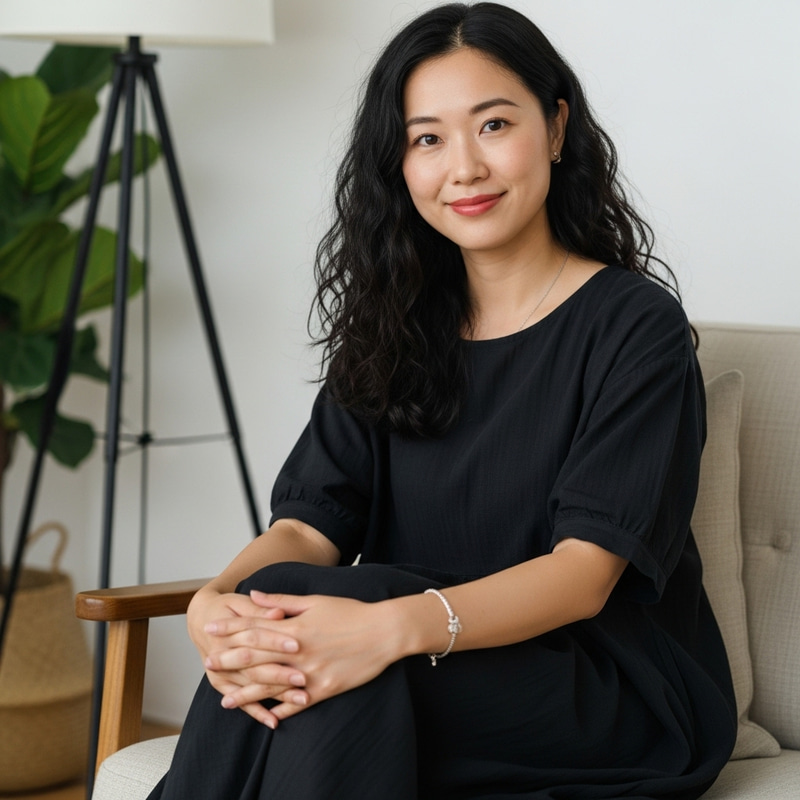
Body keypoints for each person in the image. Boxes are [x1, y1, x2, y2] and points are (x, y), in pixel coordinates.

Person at [148, 4, 737, 798]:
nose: (463, 167)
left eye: (493, 125)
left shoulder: (635, 325)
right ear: (400, 162)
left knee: (331, 656)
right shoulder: (394, 320)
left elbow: (583, 576)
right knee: (296, 631)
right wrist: (219, 604)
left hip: (599, 684)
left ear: (556, 128)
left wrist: (381, 632)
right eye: (428, 138)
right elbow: (306, 525)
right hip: (421, 660)